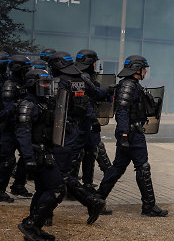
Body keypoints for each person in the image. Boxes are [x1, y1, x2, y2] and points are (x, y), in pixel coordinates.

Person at [96, 55, 168, 217]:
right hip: (131, 133)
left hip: (130, 132)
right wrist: (123, 134)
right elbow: (122, 112)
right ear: (137, 70)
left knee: (118, 167)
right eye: (144, 69)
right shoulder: (129, 86)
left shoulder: (132, 85)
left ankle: (97, 200)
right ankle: (149, 206)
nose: (145, 72)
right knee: (142, 167)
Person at [49, 51, 106, 225]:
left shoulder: (64, 82)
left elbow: (87, 102)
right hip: (66, 131)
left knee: (58, 173)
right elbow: (92, 97)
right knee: (55, 172)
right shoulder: (78, 80)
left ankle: (91, 201)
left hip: (62, 132)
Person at [16, 69, 66, 241]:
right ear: (32, 84)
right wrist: (28, 159)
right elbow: (22, 133)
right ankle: (30, 224)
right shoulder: (28, 105)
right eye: (43, 83)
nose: (46, 86)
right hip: (37, 153)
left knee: (43, 190)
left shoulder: (42, 103)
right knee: (58, 189)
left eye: (47, 82)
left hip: (46, 151)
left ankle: (35, 229)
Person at [71, 49, 113, 193]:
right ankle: (73, 185)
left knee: (90, 152)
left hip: (84, 121)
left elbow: (94, 92)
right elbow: (85, 101)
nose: (95, 65)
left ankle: (86, 183)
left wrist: (107, 91)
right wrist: (94, 120)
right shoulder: (81, 77)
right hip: (83, 122)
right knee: (79, 154)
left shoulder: (81, 75)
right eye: (94, 62)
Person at [0, 55, 33, 203]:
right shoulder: (10, 85)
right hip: (9, 129)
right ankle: (1, 190)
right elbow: (6, 111)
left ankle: (18, 185)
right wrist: (17, 106)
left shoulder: (25, 83)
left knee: (27, 156)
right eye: (26, 68)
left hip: (22, 127)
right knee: (7, 160)